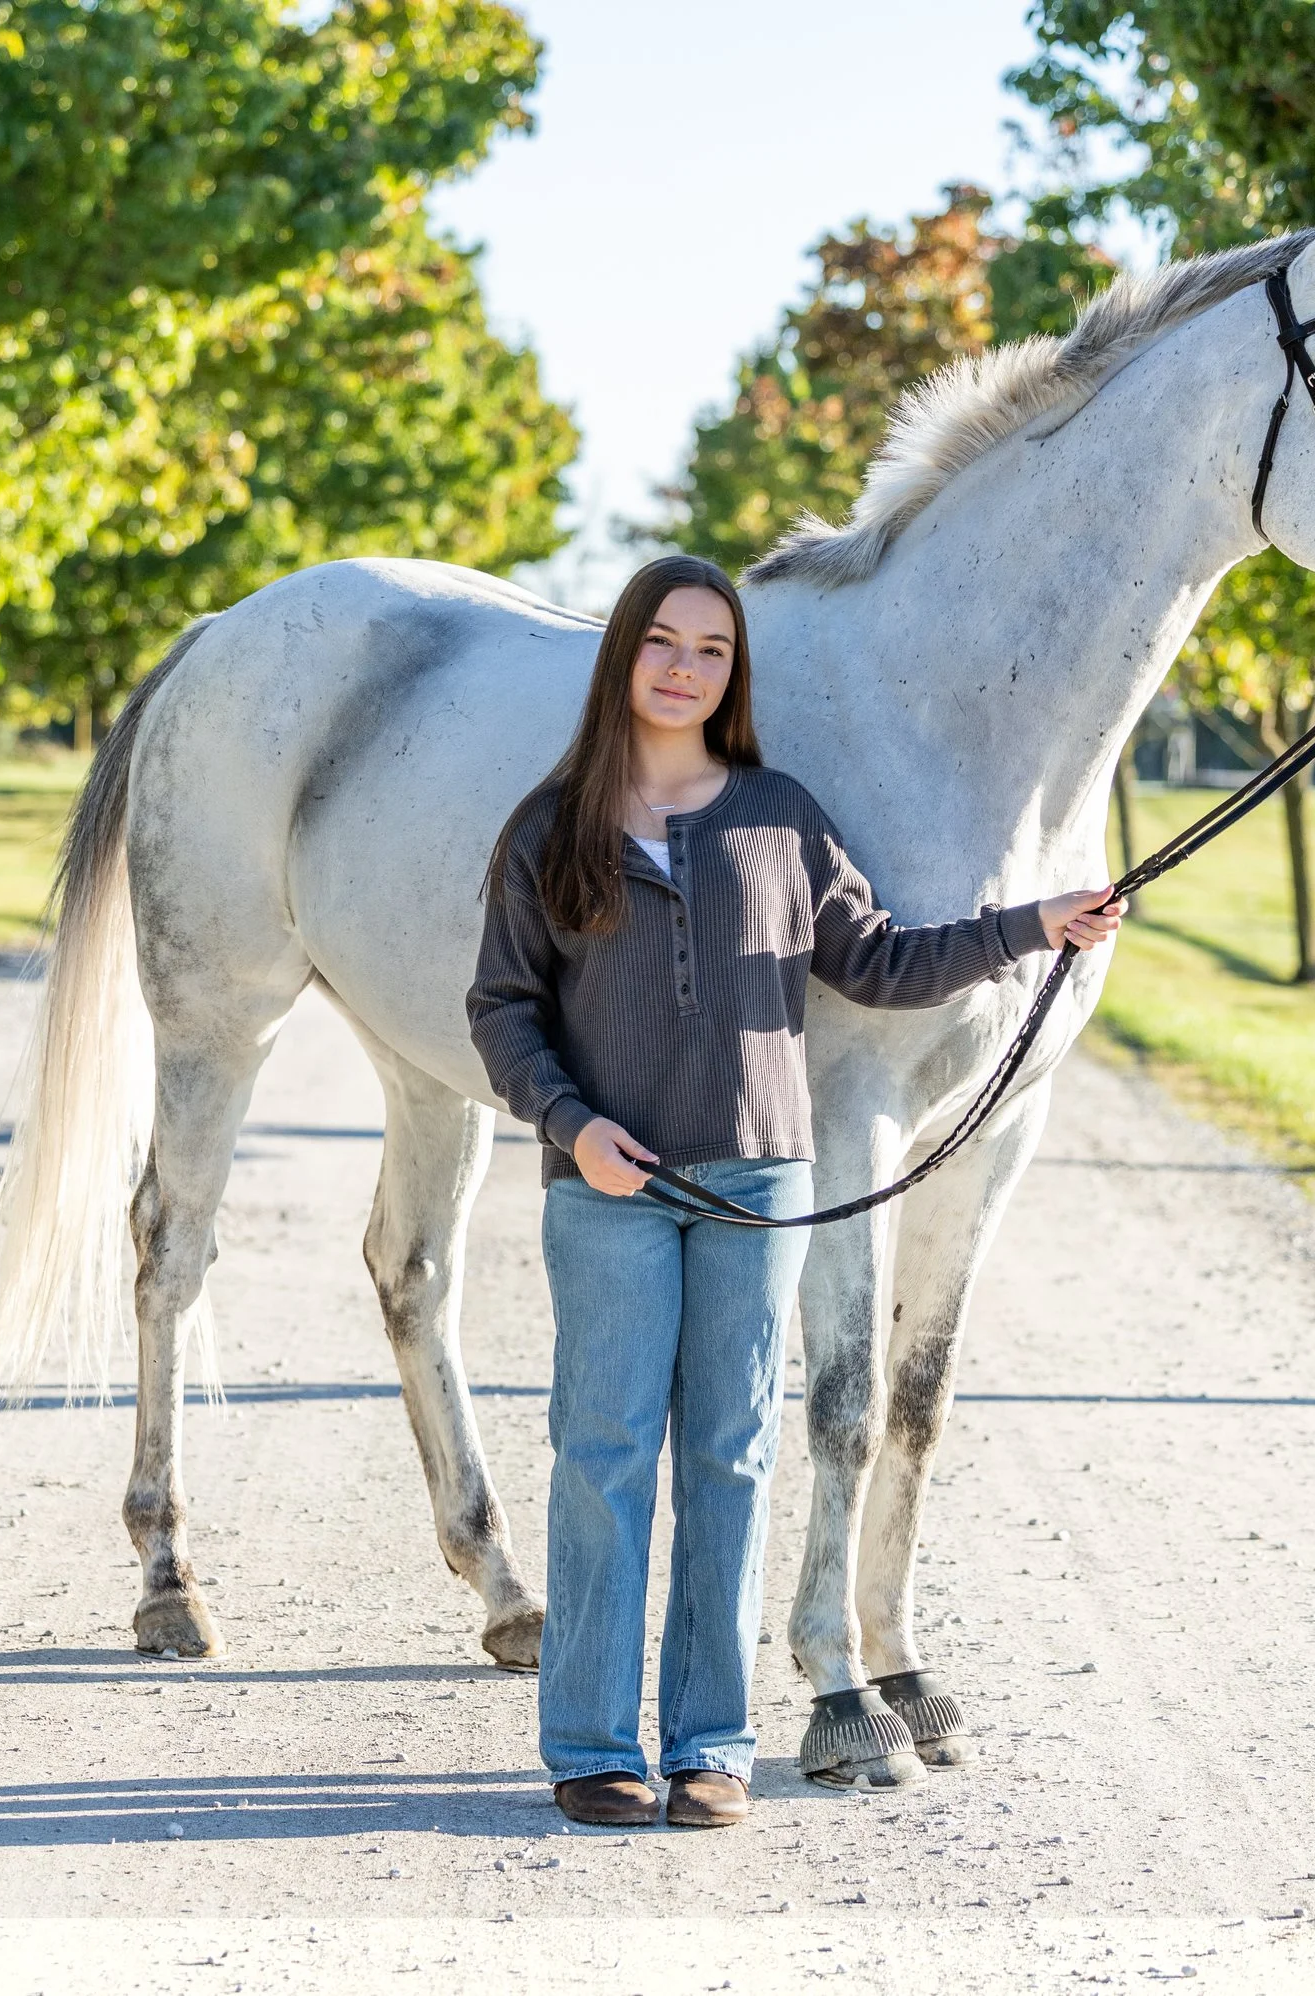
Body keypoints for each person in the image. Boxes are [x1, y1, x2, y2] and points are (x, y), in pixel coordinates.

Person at [466, 554, 1124, 1831]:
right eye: (663, 642)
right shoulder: (550, 827)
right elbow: (501, 1009)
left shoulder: (780, 814)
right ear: (623, 656)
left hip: (758, 1185)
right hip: (607, 1186)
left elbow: (878, 962)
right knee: (603, 1458)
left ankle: (711, 1739)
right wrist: (569, 1122)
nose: (685, 668)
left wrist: (1029, 922)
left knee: (729, 1455)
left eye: (712, 650)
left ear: (733, 675)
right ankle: (592, 1741)